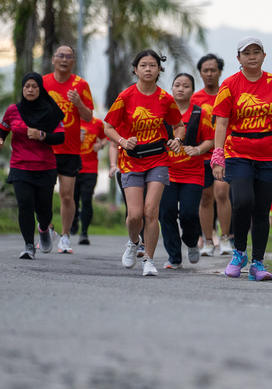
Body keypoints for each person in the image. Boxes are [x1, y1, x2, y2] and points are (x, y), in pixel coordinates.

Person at [210, 37, 272, 281]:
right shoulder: (229, 85)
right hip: (238, 151)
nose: (252, 56)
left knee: (261, 209)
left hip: (269, 152)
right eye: (246, 53)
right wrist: (218, 155)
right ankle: (239, 253)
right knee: (242, 201)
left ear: (264, 56)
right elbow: (222, 123)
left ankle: (258, 263)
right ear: (238, 58)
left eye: (256, 52)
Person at [103, 49, 184, 277]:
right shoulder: (125, 97)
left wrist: (177, 140)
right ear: (136, 70)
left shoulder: (165, 99)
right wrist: (122, 141)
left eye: (152, 65)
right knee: (135, 215)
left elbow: (179, 125)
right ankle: (133, 242)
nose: (148, 69)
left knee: (151, 211)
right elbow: (108, 127)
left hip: (158, 159)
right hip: (131, 161)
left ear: (159, 70)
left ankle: (149, 259)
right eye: (143, 65)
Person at [0, 73, 65, 259]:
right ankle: (29, 246)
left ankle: (44, 228)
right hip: (20, 166)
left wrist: (42, 135)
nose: (30, 90)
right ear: (22, 89)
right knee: (25, 204)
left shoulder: (51, 111)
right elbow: (2, 129)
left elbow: (60, 137)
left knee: (44, 210)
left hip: (45, 167)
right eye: (27, 86)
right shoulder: (13, 110)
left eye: (34, 86)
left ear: (40, 89)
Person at [159, 73, 215, 269]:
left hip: (193, 174)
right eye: (177, 85)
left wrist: (198, 150)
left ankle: (191, 242)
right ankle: (174, 257)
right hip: (166, 173)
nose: (181, 89)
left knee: (188, 214)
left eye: (186, 86)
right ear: (172, 88)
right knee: (166, 213)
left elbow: (211, 139)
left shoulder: (200, 114)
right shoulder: (162, 112)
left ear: (192, 90)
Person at [43, 45, 94, 254]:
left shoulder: (81, 85)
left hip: (70, 149)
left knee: (66, 196)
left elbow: (88, 117)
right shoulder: (43, 83)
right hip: (45, 148)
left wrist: (79, 103)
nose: (64, 59)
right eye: (60, 56)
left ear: (73, 61)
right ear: (53, 59)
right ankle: (48, 229)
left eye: (69, 56)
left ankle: (65, 236)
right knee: (44, 195)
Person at [190, 54, 233, 257]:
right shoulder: (195, 99)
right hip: (202, 155)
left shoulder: (227, 94)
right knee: (206, 198)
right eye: (205, 70)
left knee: (222, 193)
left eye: (213, 70)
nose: (209, 74)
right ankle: (207, 241)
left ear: (220, 72)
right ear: (200, 73)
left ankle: (225, 238)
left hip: (225, 153)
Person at [71, 114, 106, 245]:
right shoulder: (71, 120)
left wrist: (100, 145)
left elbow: (105, 138)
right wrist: (74, 138)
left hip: (90, 168)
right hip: (73, 166)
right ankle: (74, 219)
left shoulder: (97, 123)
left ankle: (84, 232)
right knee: (73, 199)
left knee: (86, 199)